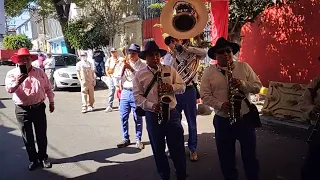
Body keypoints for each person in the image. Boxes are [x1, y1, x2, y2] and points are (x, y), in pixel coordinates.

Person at [200, 37, 262, 180]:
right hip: (223, 120)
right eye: (221, 52)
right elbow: (204, 95)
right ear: (215, 56)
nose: (226, 54)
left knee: (250, 155)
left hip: (245, 119)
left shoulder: (244, 67)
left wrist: (242, 84)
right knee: (226, 157)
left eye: (228, 51)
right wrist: (220, 104)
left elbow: (258, 86)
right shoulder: (209, 72)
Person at [133, 41, 187, 180]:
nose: (155, 57)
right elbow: (137, 97)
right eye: (152, 55)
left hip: (172, 113)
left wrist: (172, 88)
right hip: (152, 114)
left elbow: (182, 87)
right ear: (146, 57)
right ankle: (165, 175)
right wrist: (152, 106)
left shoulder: (169, 69)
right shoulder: (139, 74)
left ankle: (181, 174)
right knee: (158, 149)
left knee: (177, 148)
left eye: (157, 54)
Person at [5, 48, 55, 171]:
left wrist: (51, 102)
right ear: (18, 61)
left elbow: (48, 88)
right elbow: (9, 89)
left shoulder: (39, 72)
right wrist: (18, 82)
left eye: (27, 58)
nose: (25, 61)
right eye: (22, 59)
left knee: (41, 135)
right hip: (22, 110)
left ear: (31, 60)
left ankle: (43, 157)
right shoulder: (12, 73)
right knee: (28, 137)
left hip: (38, 107)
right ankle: (33, 160)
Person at [164, 35, 206, 161]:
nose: (174, 43)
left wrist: (187, 49)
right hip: (175, 92)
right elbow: (168, 71)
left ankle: (193, 149)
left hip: (189, 91)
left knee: (191, 122)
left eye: (176, 40)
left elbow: (204, 53)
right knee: (175, 123)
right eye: (172, 42)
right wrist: (174, 55)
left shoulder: (191, 53)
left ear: (181, 40)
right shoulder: (168, 57)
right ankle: (176, 147)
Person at [116, 44, 145, 150]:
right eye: (129, 53)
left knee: (137, 117)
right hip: (125, 92)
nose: (131, 55)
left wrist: (130, 68)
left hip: (136, 92)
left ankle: (138, 139)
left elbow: (141, 78)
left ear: (138, 54)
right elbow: (117, 76)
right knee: (123, 116)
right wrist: (122, 67)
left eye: (133, 53)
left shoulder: (142, 65)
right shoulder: (123, 63)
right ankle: (125, 138)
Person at [299, 76, 320, 180]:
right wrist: (313, 108)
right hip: (318, 131)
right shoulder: (317, 82)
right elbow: (302, 102)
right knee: (311, 168)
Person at [105, 48, 124, 112]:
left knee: (119, 91)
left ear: (116, 52)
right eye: (112, 52)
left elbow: (126, 61)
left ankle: (120, 105)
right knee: (111, 91)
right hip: (112, 77)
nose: (113, 53)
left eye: (114, 52)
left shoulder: (120, 59)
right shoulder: (109, 60)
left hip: (119, 77)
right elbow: (107, 70)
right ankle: (110, 106)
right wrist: (109, 77)